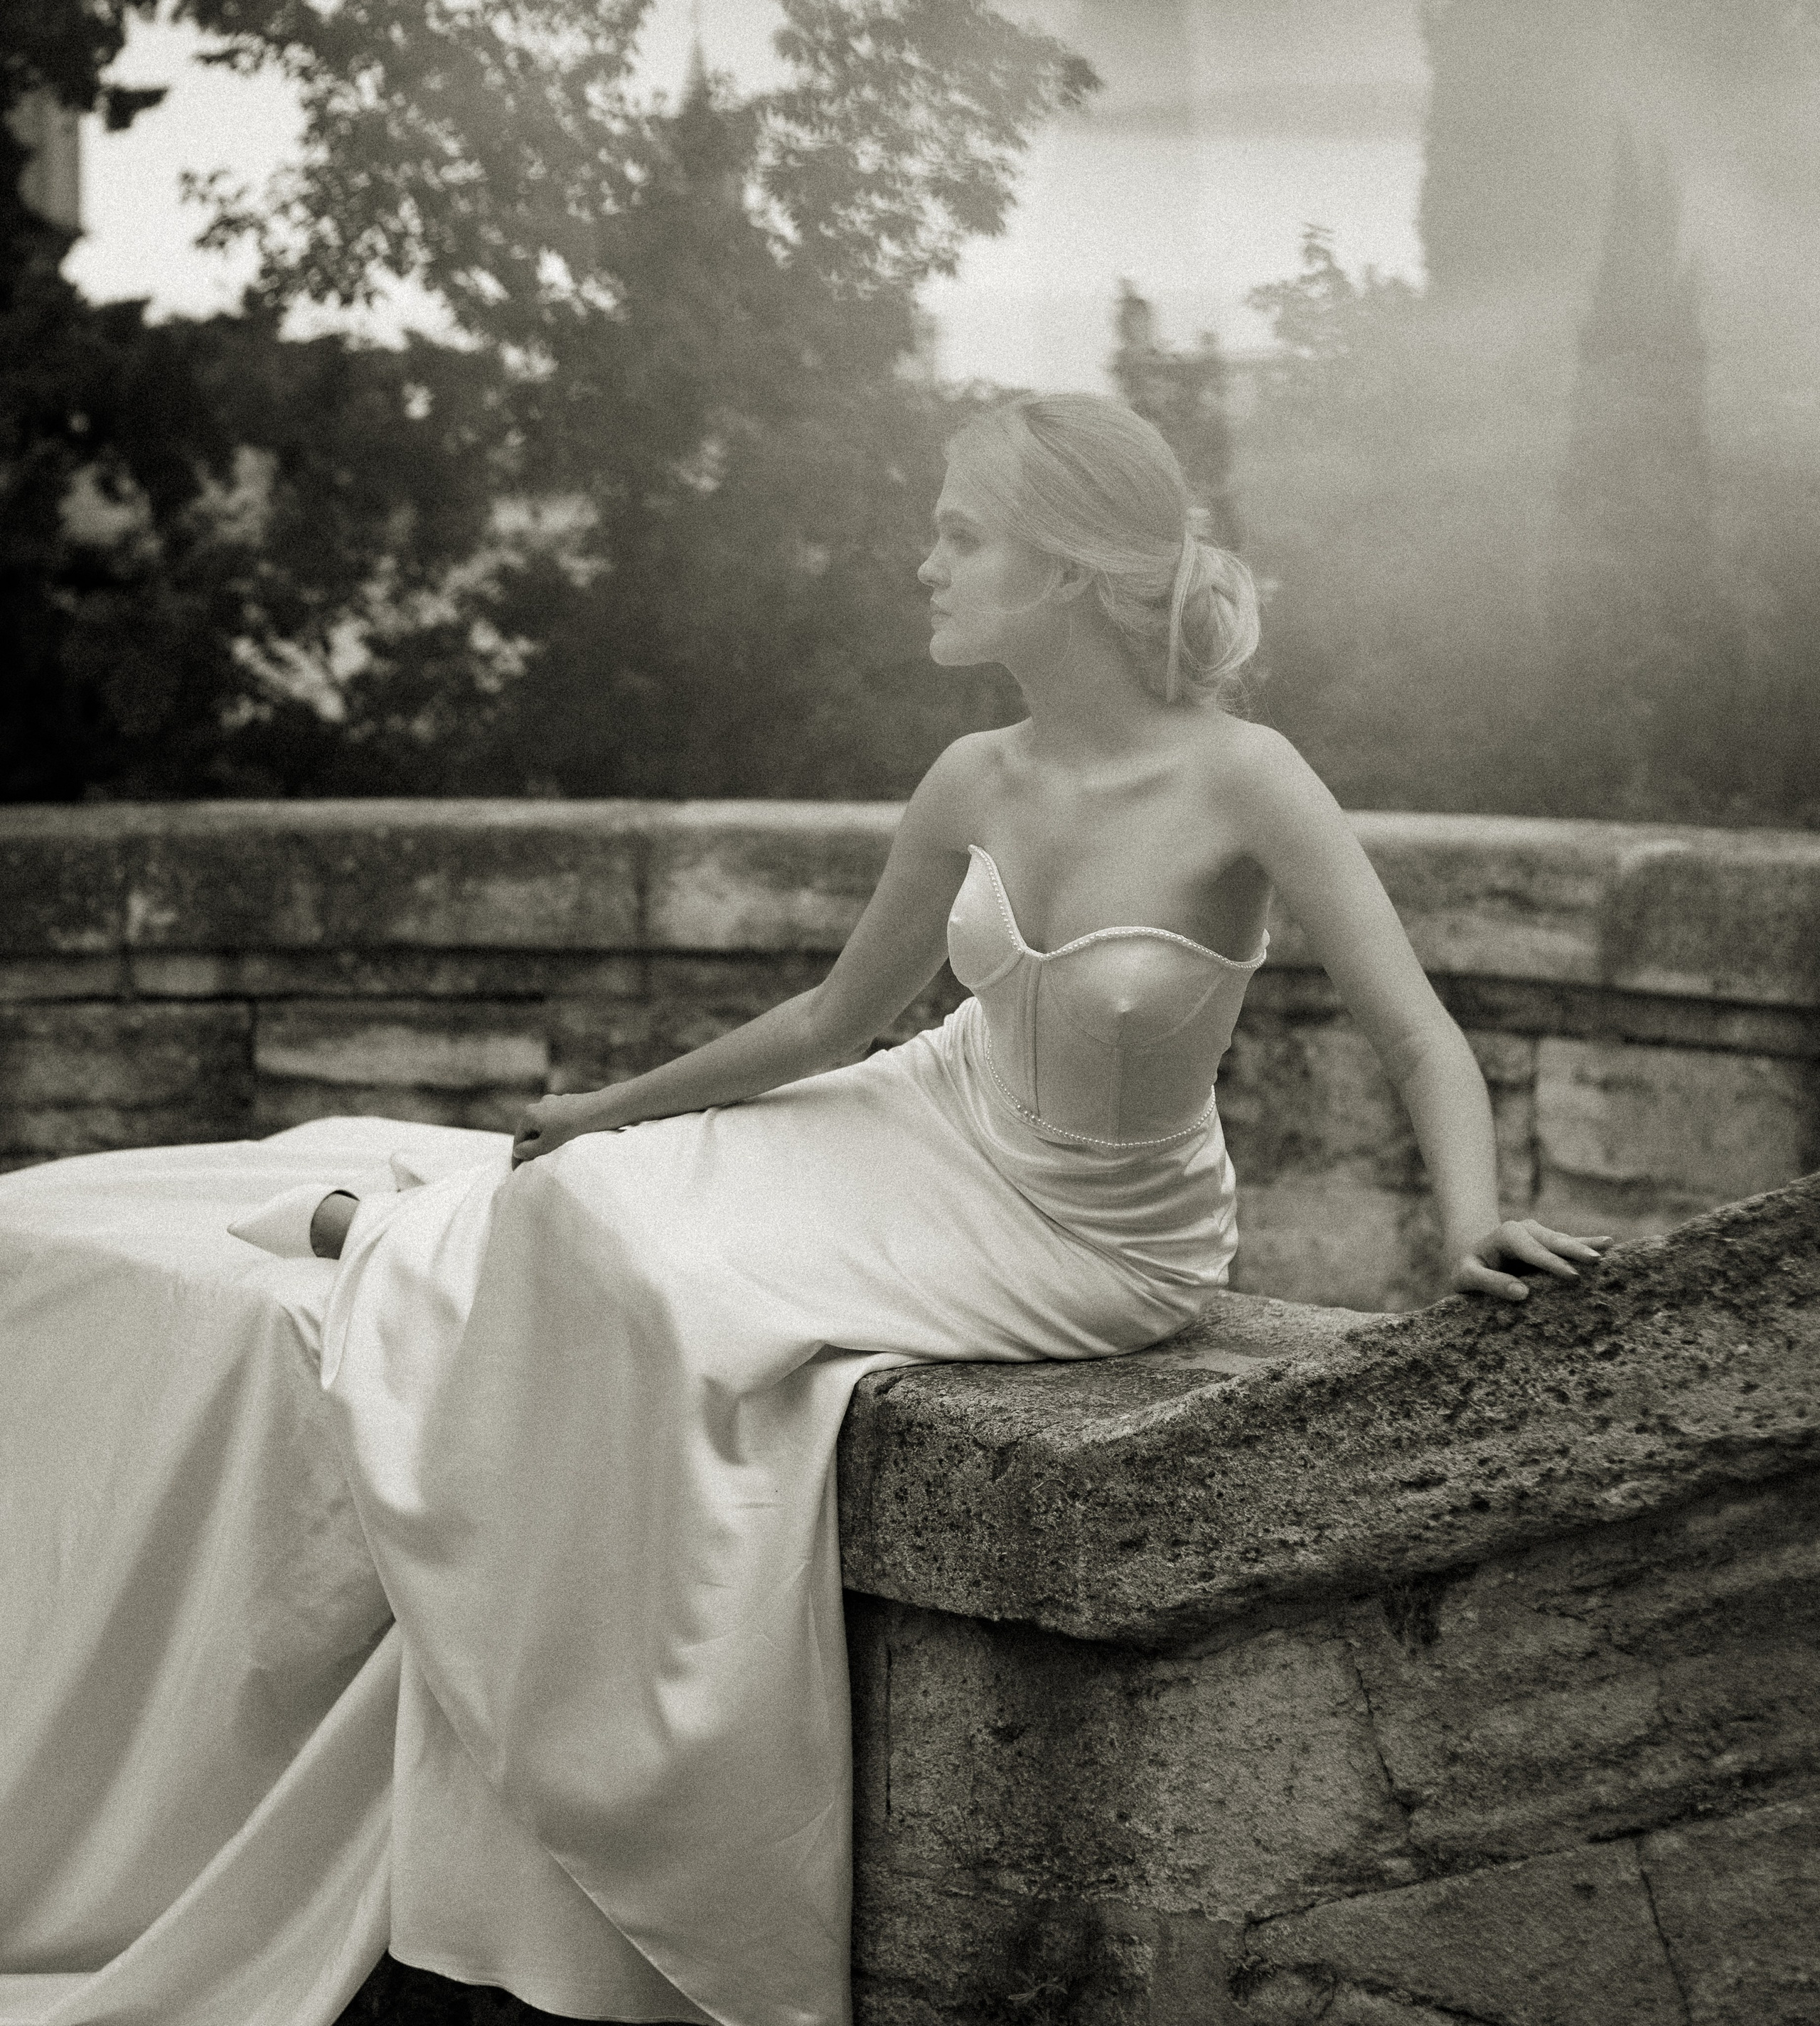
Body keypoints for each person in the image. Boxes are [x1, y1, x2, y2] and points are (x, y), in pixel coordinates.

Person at [0, 393, 1608, 2026]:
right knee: (596, 1202)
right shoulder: (970, 775)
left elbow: (1413, 1025)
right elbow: (834, 1026)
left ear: (1065, 572)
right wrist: (597, 1113)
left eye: (958, 535)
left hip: (1095, 1241)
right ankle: (414, 1230)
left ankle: (436, 1327)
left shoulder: (1243, 778)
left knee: (659, 1283)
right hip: (925, 1118)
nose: (920, 564)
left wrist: (1468, 1225)